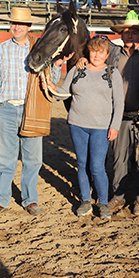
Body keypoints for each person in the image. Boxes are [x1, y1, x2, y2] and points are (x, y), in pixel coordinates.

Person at [0, 7, 57, 217]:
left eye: (21, 24)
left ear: (28, 26)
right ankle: (1, 199)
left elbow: (52, 73)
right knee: (5, 158)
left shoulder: (39, 48)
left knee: (32, 158)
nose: (16, 27)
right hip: (6, 108)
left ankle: (30, 199)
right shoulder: (1, 50)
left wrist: (59, 63)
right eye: (13, 23)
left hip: (31, 108)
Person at [49, 36, 124, 220]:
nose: (96, 55)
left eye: (101, 52)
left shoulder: (113, 73)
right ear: (88, 52)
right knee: (81, 164)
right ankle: (85, 200)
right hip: (77, 124)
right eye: (93, 51)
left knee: (97, 166)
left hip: (101, 127)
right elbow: (64, 93)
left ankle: (103, 202)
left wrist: (114, 126)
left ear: (107, 54)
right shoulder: (77, 69)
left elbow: (119, 103)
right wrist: (52, 86)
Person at [105, 19, 139, 216]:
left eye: (134, 33)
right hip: (119, 116)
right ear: (121, 35)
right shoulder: (113, 55)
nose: (129, 36)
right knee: (120, 158)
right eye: (126, 33)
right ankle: (119, 196)